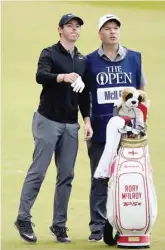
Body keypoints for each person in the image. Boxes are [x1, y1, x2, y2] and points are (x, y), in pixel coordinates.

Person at [14, 13, 93, 244]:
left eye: (78, 27)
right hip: (48, 119)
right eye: (70, 26)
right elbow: (40, 76)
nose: (75, 30)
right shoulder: (49, 53)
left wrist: (87, 120)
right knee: (38, 171)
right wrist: (62, 77)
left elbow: (84, 94)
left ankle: (59, 225)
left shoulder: (81, 60)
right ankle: (23, 218)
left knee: (66, 175)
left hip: (70, 124)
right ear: (60, 30)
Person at [85, 14, 146, 242]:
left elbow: (141, 94)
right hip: (99, 131)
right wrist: (87, 121)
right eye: (108, 28)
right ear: (99, 33)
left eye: (116, 28)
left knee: (128, 178)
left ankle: (124, 223)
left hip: (129, 132)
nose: (113, 32)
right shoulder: (89, 61)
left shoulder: (134, 58)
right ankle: (97, 226)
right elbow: (86, 97)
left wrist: (141, 122)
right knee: (99, 178)